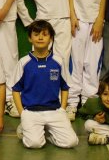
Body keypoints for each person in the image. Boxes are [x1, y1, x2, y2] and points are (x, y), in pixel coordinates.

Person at [65, 0, 109, 121]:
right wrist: (73, 16)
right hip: (78, 20)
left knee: (92, 65)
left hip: (95, 21)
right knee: (76, 62)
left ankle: (89, 103)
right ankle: (73, 104)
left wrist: (100, 19)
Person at [12, 20, 78, 149]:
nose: (40, 37)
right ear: (30, 38)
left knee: (71, 142)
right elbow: (15, 90)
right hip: (31, 112)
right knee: (35, 144)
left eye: (45, 34)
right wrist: (22, 113)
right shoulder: (23, 62)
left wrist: (63, 109)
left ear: (51, 38)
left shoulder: (58, 61)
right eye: (36, 34)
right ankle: (25, 129)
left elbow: (65, 87)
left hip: (54, 111)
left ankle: (47, 133)